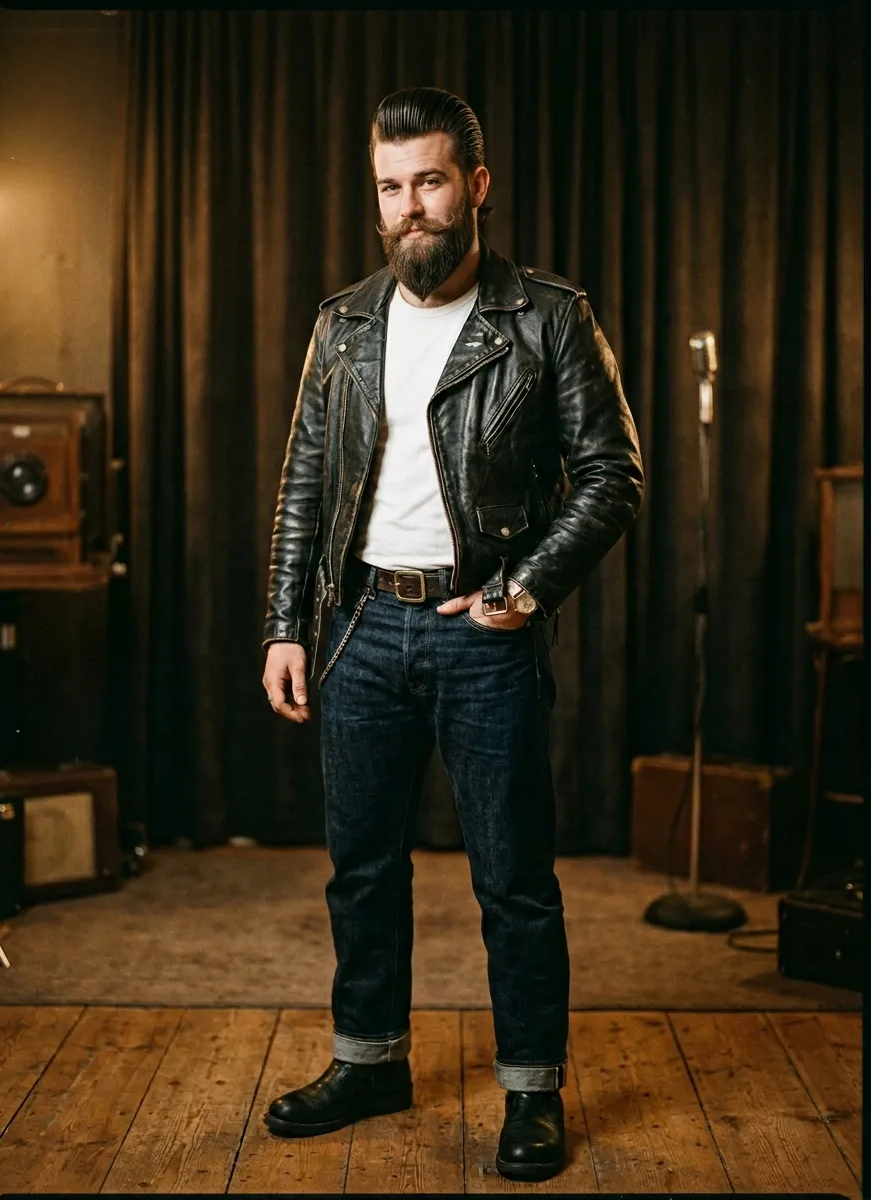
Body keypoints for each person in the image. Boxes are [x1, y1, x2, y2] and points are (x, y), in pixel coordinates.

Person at [260, 86, 644, 1183]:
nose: (409, 209)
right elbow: (300, 483)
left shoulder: (548, 316)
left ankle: (530, 1089)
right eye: (390, 189)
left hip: (483, 634)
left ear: (474, 186)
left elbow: (612, 476)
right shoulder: (342, 323)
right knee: (361, 871)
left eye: (428, 182)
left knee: (513, 879)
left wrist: (520, 591)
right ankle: (370, 1062)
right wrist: (286, 625)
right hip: (361, 632)